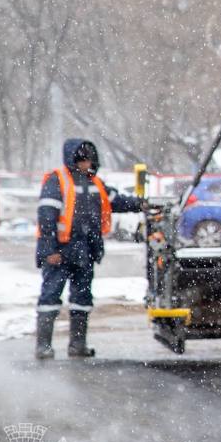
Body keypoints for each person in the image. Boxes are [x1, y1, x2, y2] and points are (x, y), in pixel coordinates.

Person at [34, 138, 146, 360]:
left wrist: (142, 204)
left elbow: (117, 201)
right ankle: (43, 345)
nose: (87, 164)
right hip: (60, 251)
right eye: (82, 159)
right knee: (50, 296)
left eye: (89, 160)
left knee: (82, 299)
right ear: (73, 159)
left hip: (85, 251)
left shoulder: (95, 183)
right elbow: (46, 219)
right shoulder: (57, 181)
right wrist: (49, 251)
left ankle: (78, 344)